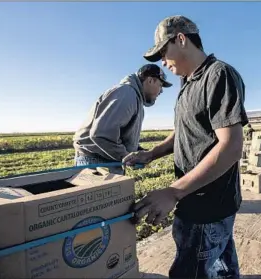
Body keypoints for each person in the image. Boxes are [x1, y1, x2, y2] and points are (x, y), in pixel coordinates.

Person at [123, 15, 247, 279]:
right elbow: (184, 131)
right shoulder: (188, 83)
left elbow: (232, 146)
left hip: (207, 206)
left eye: (162, 53)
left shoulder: (218, 75)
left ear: (181, 39)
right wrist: (152, 153)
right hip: (197, 201)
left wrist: (173, 192)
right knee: (223, 269)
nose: (162, 63)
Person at [73, 64, 172, 174]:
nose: (161, 91)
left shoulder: (134, 99)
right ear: (150, 81)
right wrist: (127, 157)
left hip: (106, 161)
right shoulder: (127, 93)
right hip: (97, 163)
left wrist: (140, 153)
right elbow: (102, 135)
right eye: (161, 85)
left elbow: (120, 137)